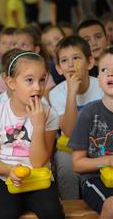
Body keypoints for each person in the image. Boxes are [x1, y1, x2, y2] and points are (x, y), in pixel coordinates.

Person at [0, 50, 64, 219]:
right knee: (6, 213)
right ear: (11, 82)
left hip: (38, 177)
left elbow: (38, 162)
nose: (37, 87)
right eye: (29, 80)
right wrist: (10, 170)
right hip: (4, 178)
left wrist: (39, 124)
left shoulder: (49, 114)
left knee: (52, 211)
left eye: (42, 80)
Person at [49, 36, 104, 199]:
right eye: (64, 61)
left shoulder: (102, 86)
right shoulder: (56, 93)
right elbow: (70, 131)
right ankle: (70, 205)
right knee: (65, 164)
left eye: (76, 58)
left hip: (101, 143)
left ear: (89, 63)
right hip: (71, 147)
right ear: (59, 68)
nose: (71, 64)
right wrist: (71, 93)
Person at [69, 46, 113, 218]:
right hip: (94, 180)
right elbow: (77, 164)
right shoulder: (88, 113)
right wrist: (108, 160)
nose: (110, 74)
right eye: (104, 70)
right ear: (99, 78)